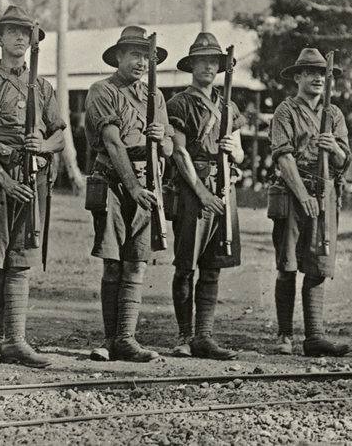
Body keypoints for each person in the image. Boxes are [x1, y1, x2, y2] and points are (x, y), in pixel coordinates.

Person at [0, 6, 66, 368]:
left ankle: (17, 341)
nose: (21, 38)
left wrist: (44, 145)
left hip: (33, 177)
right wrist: (5, 181)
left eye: (26, 33)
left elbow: (60, 135)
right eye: (12, 32)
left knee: (22, 259)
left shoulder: (43, 86)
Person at [84, 26, 173, 363]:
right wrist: (133, 188)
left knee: (137, 262)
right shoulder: (102, 91)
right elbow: (112, 142)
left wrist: (161, 138)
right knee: (113, 263)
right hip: (113, 183)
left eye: (146, 57)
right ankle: (109, 339)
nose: (141, 62)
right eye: (135, 55)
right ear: (119, 56)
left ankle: (126, 338)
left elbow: (169, 147)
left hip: (147, 184)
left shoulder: (156, 97)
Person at [268, 48, 352, 357]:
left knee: (318, 263)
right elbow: (283, 156)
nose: (318, 79)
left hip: (325, 191)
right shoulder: (285, 111)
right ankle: (284, 334)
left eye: (322, 74)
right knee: (288, 264)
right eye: (311, 73)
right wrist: (302, 196)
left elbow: (344, 160)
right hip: (293, 192)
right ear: (298, 78)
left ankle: (314, 336)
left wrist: (334, 149)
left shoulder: (334, 114)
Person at [165, 33, 244, 360]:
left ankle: (204, 336)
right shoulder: (179, 104)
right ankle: (184, 335)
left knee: (213, 265)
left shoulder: (229, 106)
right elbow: (179, 152)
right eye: (202, 61)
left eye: (214, 62)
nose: (209, 67)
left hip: (223, 185)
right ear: (192, 65)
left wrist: (233, 150)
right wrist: (200, 193)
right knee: (186, 265)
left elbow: (240, 152)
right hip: (193, 189)